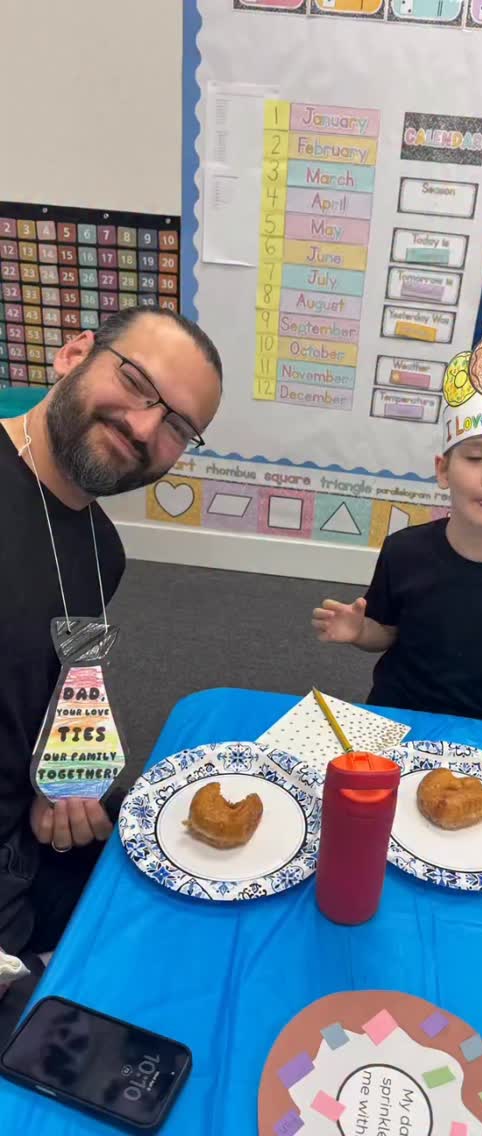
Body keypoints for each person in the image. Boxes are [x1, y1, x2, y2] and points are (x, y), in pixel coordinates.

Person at [0, 306, 222, 1026]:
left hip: (32, 836)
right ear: (74, 353)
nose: (144, 426)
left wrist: (59, 779)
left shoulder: (102, 550)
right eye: (135, 383)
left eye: (179, 427)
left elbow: (50, 683)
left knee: (211, 904)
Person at [313, 330, 482, 725]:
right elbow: (386, 633)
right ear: (443, 469)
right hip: (397, 714)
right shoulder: (404, 552)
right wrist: (358, 632)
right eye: (475, 457)